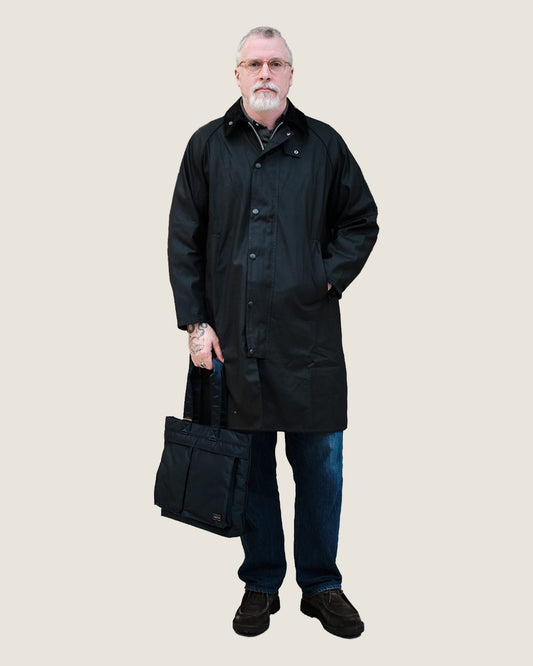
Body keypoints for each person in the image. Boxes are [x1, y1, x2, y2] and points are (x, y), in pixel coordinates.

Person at [167, 26, 378, 638]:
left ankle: (322, 585)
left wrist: (324, 278)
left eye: (276, 63)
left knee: (321, 468)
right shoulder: (207, 146)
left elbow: (360, 221)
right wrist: (196, 323)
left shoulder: (324, 145)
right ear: (236, 73)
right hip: (233, 339)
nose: (265, 73)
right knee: (251, 466)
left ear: (291, 75)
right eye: (254, 63)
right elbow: (184, 238)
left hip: (309, 341)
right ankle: (261, 582)